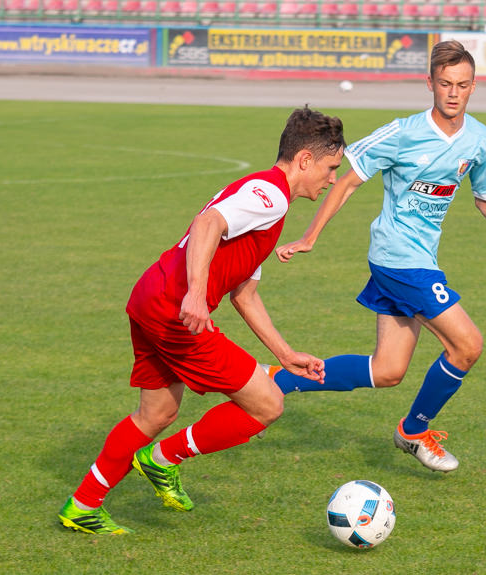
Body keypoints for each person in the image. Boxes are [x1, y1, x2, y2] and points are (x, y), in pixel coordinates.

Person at [58, 106, 345, 534]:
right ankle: (160, 460)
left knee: (154, 415)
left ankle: (82, 505)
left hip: (150, 298)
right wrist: (195, 291)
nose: (333, 178)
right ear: (305, 159)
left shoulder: (265, 199)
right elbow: (208, 221)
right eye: (330, 167)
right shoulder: (270, 195)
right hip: (175, 311)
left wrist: (285, 355)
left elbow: (244, 293)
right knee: (268, 403)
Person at [266, 40, 486, 474]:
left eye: (462, 85)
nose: (453, 93)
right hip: (398, 258)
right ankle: (413, 431)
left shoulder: (480, 140)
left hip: (418, 258)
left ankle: (275, 380)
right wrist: (309, 236)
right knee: (467, 345)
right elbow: (347, 182)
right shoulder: (402, 132)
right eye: (445, 83)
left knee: (388, 370)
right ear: (429, 83)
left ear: (473, 87)